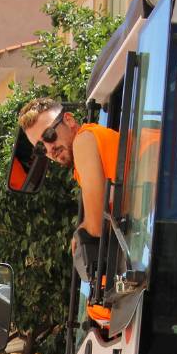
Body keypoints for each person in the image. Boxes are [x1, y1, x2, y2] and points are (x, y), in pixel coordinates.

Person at [18, 97, 119, 327]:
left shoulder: (84, 139)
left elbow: (95, 227)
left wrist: (81, 231)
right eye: (40, 147)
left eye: (50, 135)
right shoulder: (95, 145)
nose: (49, 148)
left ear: (70, 120)